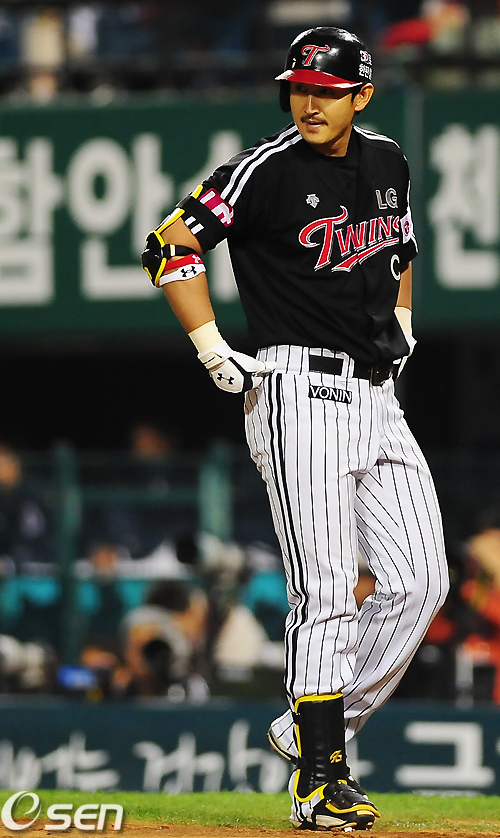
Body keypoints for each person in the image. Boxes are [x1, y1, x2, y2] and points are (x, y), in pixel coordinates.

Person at [141, 26, 449, 832]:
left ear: (362, 96)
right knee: (327, 589)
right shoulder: (265, 169)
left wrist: (404, 319)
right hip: (298, 391)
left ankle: (311, 726)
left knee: (422, 583)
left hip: (379, 394)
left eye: (328, 91)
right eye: (300, 89)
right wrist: (210, 344)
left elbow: (400, 249)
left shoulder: (387, 161)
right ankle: (320, 781)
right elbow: (169, 243)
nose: (310, 103)